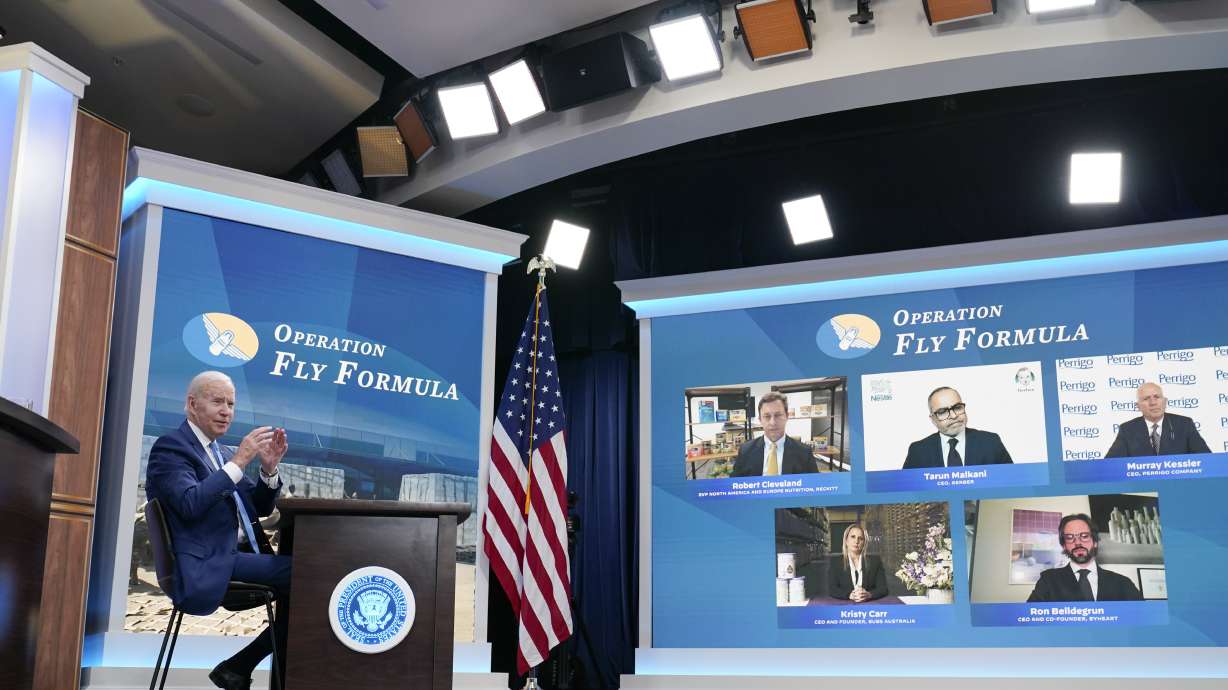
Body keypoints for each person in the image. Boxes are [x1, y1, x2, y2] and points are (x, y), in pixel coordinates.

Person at [145, 371, 290, 690]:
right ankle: (238, 667)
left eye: (231, 404)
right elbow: (190, 503)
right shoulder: (171, 448)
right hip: (207, 561)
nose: (227, 411)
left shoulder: (221, 454)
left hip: (234, 556)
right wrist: (238, 462)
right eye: (217, 401)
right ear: (192, 404)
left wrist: (268, 470)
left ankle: (237, 668)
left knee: (307, 583)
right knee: (308, 577)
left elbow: (259, 507)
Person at [1027, 513, 1142, 602]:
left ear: (1095, 542)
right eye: (1070, 537)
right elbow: (1029, 621)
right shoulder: (1048, 580)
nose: (1077, 542)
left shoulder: (1123, 583)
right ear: (1064, 545)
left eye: (1084, 536)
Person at [902, 387, 1013, 469]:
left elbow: (1013, 484)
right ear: (933, 419)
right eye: (943, 412)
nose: (954, 416)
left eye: (957, 407)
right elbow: (906, 495)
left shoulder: (990, 442)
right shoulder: (918, 451)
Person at [1104, 381, 1210, 458]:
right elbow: (1110, 465)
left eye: (1157, 397)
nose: (1153, 403)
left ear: (1165, 401)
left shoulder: (1184, 424)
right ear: (1138, 406)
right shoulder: (1128, 429)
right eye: (1146, 399)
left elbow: (1207, 459)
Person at [731, 392, 819, 476]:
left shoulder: (804, 452)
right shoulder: (745, 451)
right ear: (760, 420)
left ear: (787, 416)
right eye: (767, 416)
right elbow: (734, 486)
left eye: (778, 415)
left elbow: (814, 486)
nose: (772, 422)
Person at [828, 524, 888, 602]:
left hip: (870, 608)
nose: (856, 541)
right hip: (845, 610)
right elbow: (832, 589)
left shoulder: (875, 561)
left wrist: (869, 594)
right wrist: (849, 595)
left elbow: (883, 589)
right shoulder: (835, 562)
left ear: (864, 542)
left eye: (860, 538)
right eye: (853, 537)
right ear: (846, 540)